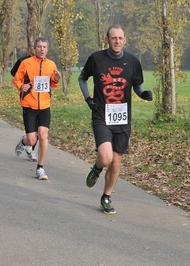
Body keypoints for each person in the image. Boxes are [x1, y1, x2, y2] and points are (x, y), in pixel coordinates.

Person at [78, 25, 153, 214]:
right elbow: (82, 78)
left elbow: (137, 85)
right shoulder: (96, 59)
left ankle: (106, 196)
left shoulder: (133, 61)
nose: (117, 41)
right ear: (107, 40)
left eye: (120, 38)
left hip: (122, 118)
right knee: (105, 157)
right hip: (101, 115)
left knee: (116, 162)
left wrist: (143, 94)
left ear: (125, 40)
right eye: (113, 38)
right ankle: (97, 167)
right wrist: (89, 99)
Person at [13, 37, 61, 180]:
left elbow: (53, 84)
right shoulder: (26, 63)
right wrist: (22, 86)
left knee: (44, 135)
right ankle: (24, 141)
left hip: (45, 105)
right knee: (32, 140)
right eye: (39, 47)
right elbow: (16, 79)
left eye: (44, 47)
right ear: (34, 49)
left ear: (47, 49)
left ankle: (40, 168)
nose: (41, 49)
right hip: (29, 104)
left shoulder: (51, 64)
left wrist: (56, 79)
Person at [10, 41, 38, 162]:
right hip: (27, 96)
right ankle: (28, 144)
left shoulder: (42, 61)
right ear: (29, 49)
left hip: (41, 98)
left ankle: (30, 147)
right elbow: (14, 73)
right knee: (32, 127)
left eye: (36, 47)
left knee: (40, 129)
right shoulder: (23, 61)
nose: (35, 49)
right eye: (32, 47)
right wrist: (22, 83)